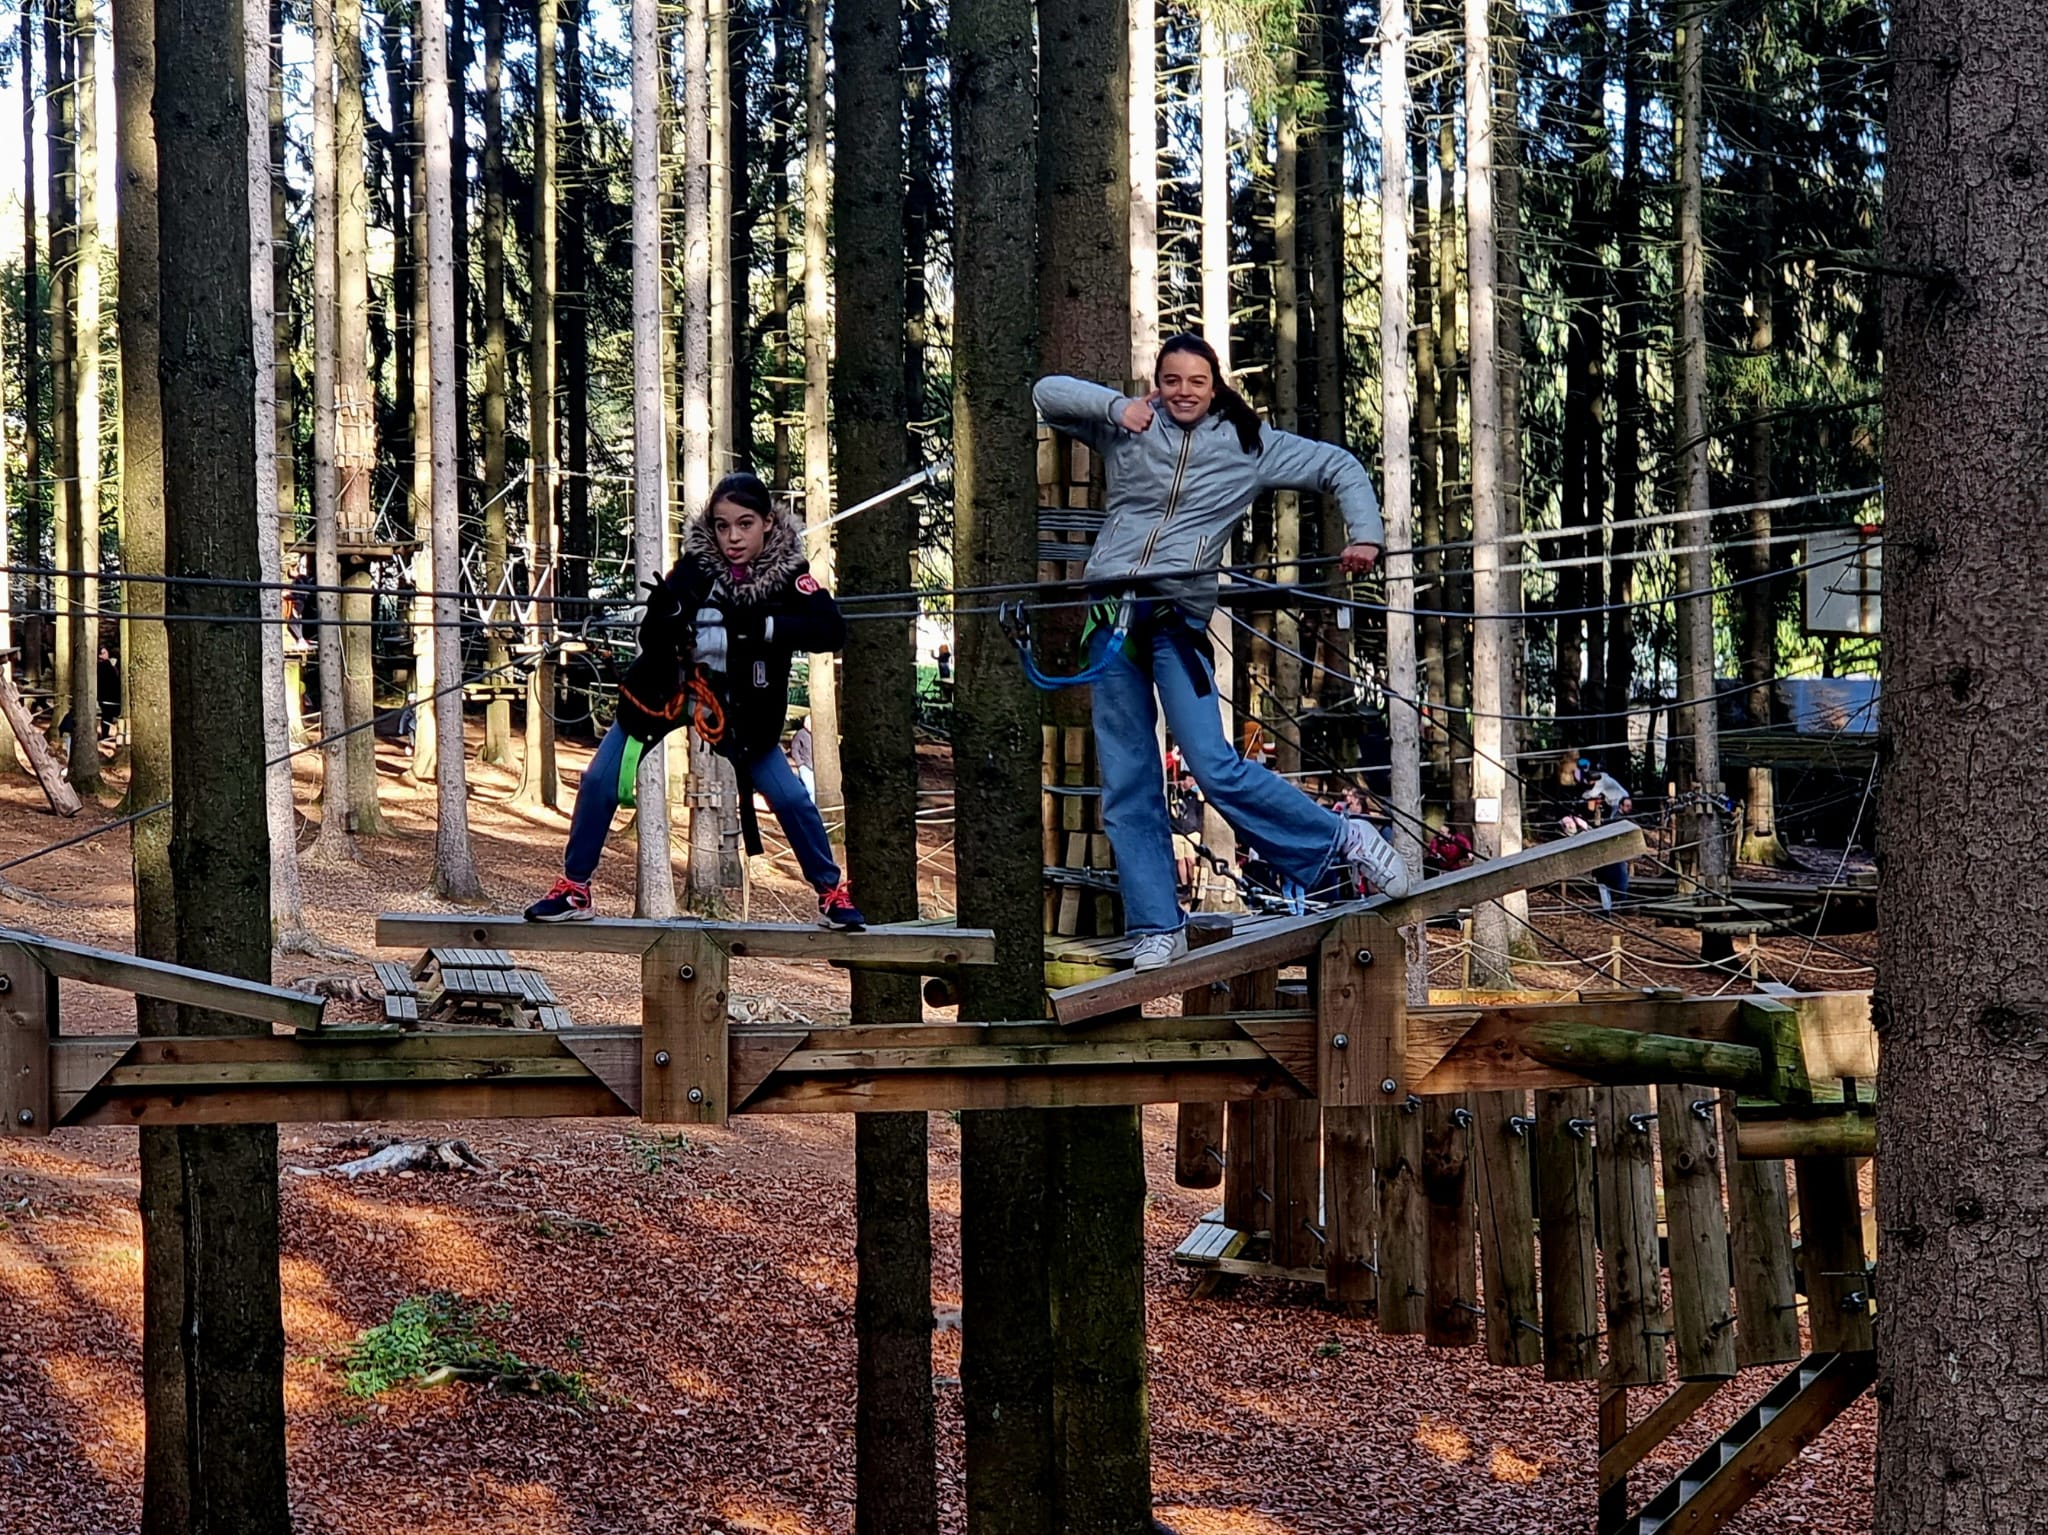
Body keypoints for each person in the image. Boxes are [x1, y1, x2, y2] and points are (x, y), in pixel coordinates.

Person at [1033, 333, 1413, 971]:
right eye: (1171, 379)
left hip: (1176, 622)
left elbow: (1339, 466)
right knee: (1127, 781)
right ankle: (1157, 925)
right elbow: (1044, 393)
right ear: (1157, 382)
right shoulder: (1130, 427)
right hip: (1112, 623)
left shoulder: (1246, 444)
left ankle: (1344, 838)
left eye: (1196, 381)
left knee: (1212, 763)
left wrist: (1366, 536)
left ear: (1216, 387)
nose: (1183, 391)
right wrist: (1112, 408)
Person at [525, 472, 865, 928]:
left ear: (766, 522)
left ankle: (830, 894)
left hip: (739, 713)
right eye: (723, 526)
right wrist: (668, 617)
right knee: (599, 781)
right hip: (664, 695)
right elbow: (653, 636)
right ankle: (574, 889)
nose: (733, 537)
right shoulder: (695, 567)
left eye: (744, 524)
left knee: (789, 797)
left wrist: (763, 627)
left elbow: (831, 631)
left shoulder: (790, 576)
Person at [1170, 769, 1205, 897]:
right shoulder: (1174, 794)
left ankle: (1193, 883)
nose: (1191, 783)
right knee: (1180, 860)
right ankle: (1184, 885)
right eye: (1189, 780)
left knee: (1191, 859)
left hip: (1191, 832)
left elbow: (1200, 812)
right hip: (1177, 831)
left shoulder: (1195, 796)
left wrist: (1199, 829)